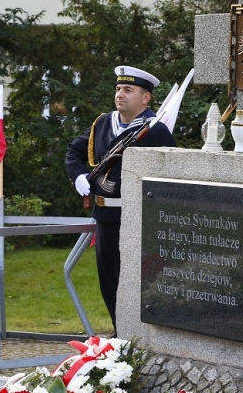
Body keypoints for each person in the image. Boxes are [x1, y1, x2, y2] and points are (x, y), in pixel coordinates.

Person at [66, 66, 176, 336]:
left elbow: (170, 175)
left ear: (145, 98)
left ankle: (137, 338)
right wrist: (79, 174)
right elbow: (75, 151)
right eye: (118, 89)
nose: (120, 95)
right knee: (109, 282)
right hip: (104, 218)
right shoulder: (103, 123)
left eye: (128, 90)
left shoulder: (155, 131)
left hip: (138, 221)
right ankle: (119, 337)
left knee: (135, 285)